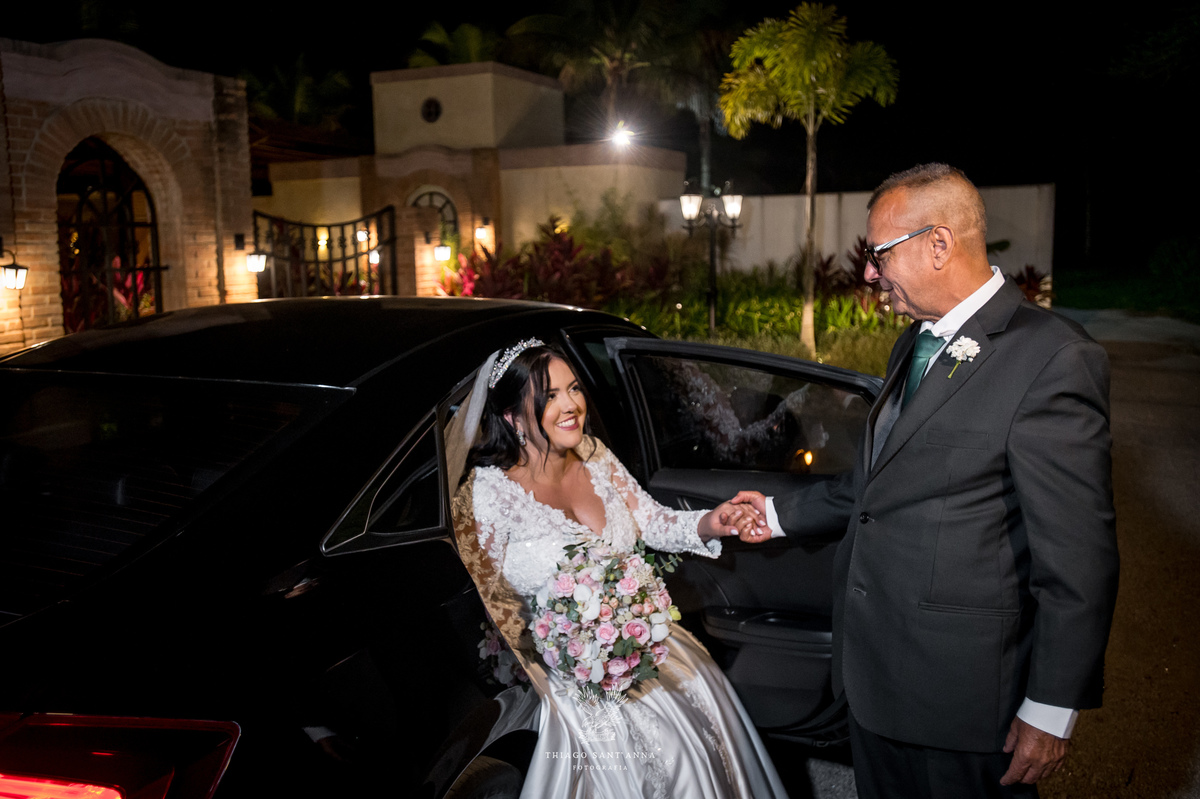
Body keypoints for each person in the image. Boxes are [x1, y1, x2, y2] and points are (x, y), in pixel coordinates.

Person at [732, 164, 1119, 798]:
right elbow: (879, 486)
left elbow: (1079, 558)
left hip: (963, 701)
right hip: (875, 683)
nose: (869, 273)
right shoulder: (912, 342)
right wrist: (774, 515)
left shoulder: (1052, 358)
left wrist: (1051, 708)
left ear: (938, 244)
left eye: (879, 254)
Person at [448, 339, 789, 799]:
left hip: (642, 647)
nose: (571, 405)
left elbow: (653, 520)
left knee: (695, 746)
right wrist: (550, 661)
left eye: (574, 389)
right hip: (561, 678)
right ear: (511, 416)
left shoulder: (594, 455)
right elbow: (482, 600)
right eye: (550, 396)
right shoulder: (488, 494)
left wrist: (713, 521)